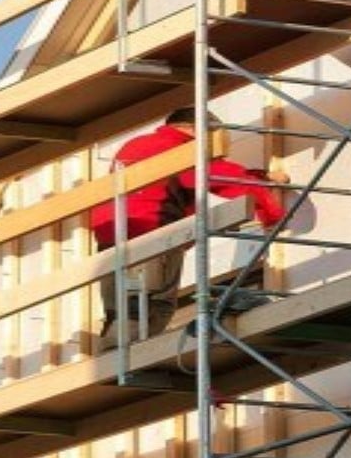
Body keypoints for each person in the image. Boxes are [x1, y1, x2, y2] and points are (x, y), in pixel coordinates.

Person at [90, 107, 289, 350]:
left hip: (111, 235)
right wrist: (271, 210)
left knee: (120, 305)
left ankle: (111, 359)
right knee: (154, 302)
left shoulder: (140, 144)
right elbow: (220, 176)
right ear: (195, 130)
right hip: (152, 231)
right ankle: (135, 357)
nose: (212, 148)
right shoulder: (178, 147)